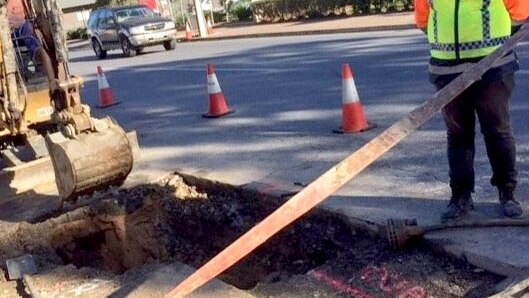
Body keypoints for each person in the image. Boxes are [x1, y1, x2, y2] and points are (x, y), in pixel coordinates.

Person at [414, 0, 529, 221]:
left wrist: (493, 39)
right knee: (458, 135)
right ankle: (460, 196)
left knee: (498, 132)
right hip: (446, 68)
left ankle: (507, 193)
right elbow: (423, 19)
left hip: (492, 66)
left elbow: (520, 11)